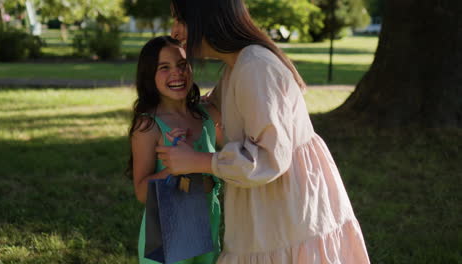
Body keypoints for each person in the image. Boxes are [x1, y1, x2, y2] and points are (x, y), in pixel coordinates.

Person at [155, 0, 371, 263]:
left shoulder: (255, 68)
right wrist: (170, 109)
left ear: (207, 17)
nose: (175, 31)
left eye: (181, 20)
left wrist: (198, 161)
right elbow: (215, 109)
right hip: (269, 202)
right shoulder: (238, 65)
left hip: (285, 210)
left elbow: (269, 157)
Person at [128, 36, 222, 264]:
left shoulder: (206, 114)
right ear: (150, 75)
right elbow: (141, 192)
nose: (177, 73)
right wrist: (175, 167)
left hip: (207, 227)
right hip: (168, 236)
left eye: (182, 65)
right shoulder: (149, 126)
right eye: (164, 68)